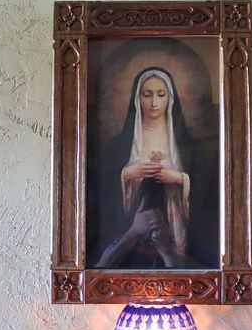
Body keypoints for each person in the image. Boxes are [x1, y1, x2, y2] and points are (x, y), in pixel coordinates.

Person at [87, 66, 218, 269]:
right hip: (132, 227)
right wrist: (128, 173)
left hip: (176, 229)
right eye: (147, 95)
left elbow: (208, 190)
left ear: (170, 98)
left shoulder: (187, 146)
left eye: (161, 95)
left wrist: (179, 178)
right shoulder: (119, 145)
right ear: (137, 99)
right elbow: (100, 188)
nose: (154, 103)